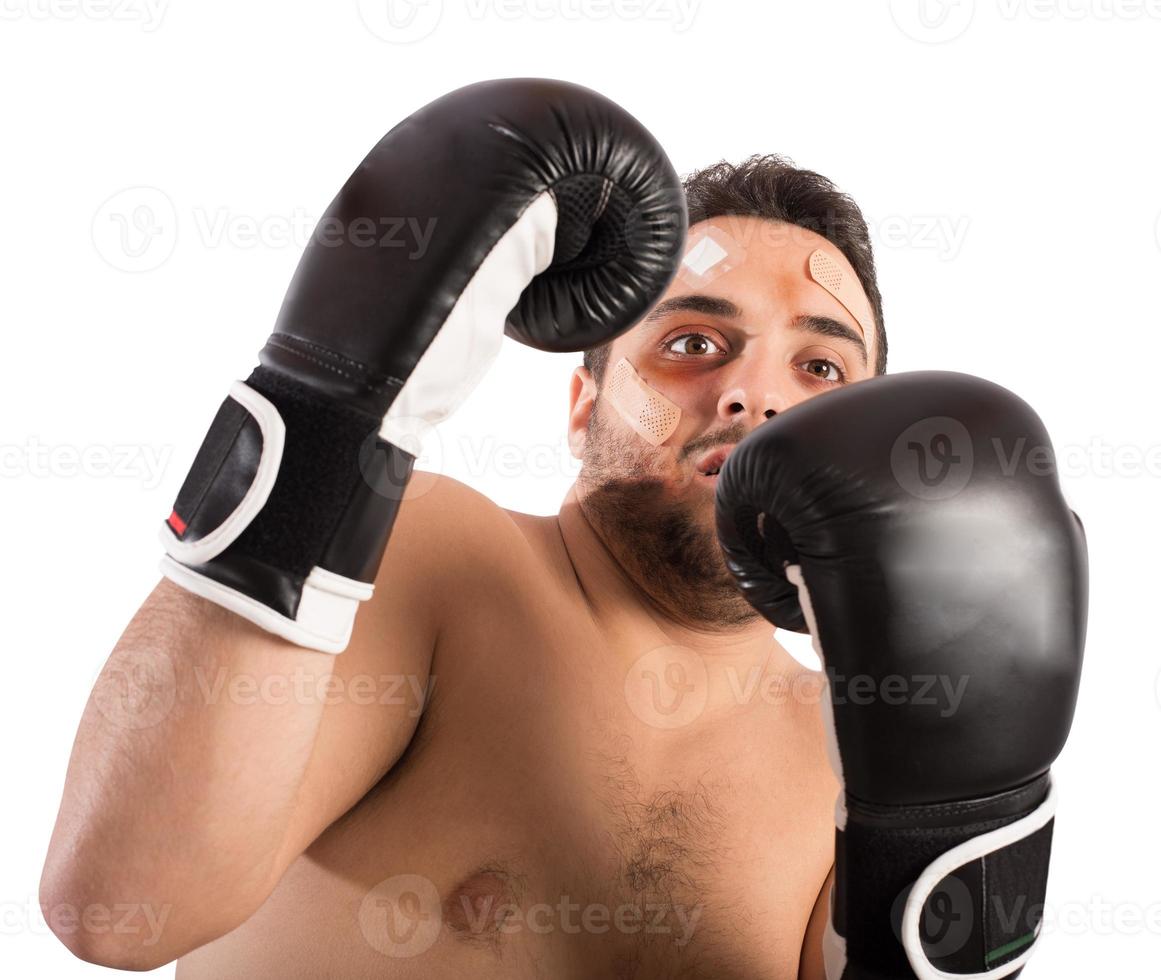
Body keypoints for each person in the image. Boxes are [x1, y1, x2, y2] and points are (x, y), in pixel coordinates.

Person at [41, 79, 1081, 980]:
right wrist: (327, 408)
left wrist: (966, 820)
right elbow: (119, 900)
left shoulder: (856, 745)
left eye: (821, 368)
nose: (753, 396)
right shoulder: (437, 560)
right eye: (691, 339)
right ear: (582, 402)